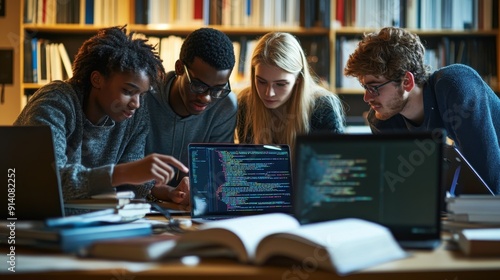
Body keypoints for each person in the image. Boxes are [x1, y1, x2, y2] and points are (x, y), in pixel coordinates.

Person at [14, 26, 188, 203]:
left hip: (84, 219)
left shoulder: (132, 115)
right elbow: (47, 181)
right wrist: (123, 172)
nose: (136, 103)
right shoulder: (56, 101)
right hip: (20, 215)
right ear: (97, 79)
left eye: (141, 94)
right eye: (128, 91)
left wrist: (168, 192)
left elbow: (132, 181)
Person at [344, 26, 500, 194]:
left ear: (407, 82)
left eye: (374, 87)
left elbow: (488, 187)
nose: (366, 98)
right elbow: (404, 189)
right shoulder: (382, 119)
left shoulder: (456, 85)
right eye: (365, 87)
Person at [145, 27, 237, 205]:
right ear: (179, 68)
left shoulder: (225, 105)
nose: (206, 97)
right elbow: (126, 166)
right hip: (138, 206)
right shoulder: (143, 96)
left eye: (218, 89)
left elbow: (217, 174)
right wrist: (166, 191)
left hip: (189, 210)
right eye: (198, 85)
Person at [236, 32, 345, 152]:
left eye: (280, 84)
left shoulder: (323, 107)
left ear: (298, 79)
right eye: (261, 82)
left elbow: (333, 164)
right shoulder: (245, 103)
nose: (269, 93)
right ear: (253, 75)